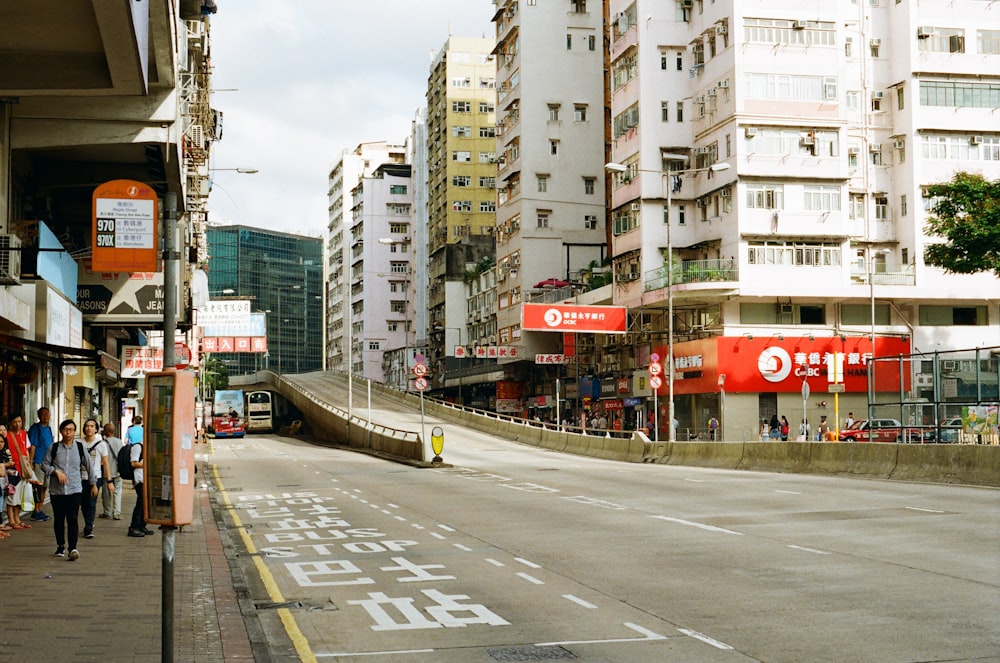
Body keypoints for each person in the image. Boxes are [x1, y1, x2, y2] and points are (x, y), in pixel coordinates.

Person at [42, 419, 96, 560]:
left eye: (71, 430)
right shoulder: (53, 448)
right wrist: (55, 471)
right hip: (57, 491)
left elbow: (89, 466)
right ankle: (60, 546)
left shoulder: (79, 448)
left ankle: (73, 548)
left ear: (74, 432)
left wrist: (93, 484)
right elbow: (44, 465)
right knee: (59, 519)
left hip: (74, 489)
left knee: (72, 518)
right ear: (61, 431)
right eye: (66, 429)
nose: (68, 432)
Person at [80, 418, 112, 538]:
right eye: (87, 426)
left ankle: (89, 528)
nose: (89, 428)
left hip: (96, 477)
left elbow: (106, 462)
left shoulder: (102, 444)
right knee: (83, 503)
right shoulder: (79, 443)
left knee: (91, 502)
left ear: (96, 429)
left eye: (92, 426)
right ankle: (88, 523)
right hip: (80, 477)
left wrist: (109, 480)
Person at [6, 414, 34, 530]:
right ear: (10, 423)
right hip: (13, 468)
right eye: (15, 422)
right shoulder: (7, 435)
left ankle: (17, 518)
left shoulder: (24, 434)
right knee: (12, 494)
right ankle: (11, 520)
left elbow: (27, 450)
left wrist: (29, 464)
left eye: (19, 421)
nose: (17, 424)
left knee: (19, 496)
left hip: (23, 468)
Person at [127, 420, 153, 538]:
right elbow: (133, 463)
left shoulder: (149, 447)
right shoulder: (138, 447)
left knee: (146, 503)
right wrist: (146, 465)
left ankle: (142, 525)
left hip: (147, 479)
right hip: (139, 478)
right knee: (141, 502)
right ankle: (133, 527)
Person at [28, 406, 54, 522]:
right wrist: (31, 461)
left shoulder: (48, 428)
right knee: (38, 486)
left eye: (47, 414)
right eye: (42, 414)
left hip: (48, 462)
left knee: (44, 487)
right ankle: (36, 511)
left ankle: (40, 508)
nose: (45, 416)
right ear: (38, 416)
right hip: (38, 461)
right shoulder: (35, 428)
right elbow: (32, 446)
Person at [100, 423, 124, 520]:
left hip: (107, 471)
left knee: (106, 493)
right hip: (118, 471)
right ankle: (117, 513)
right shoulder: (119, 442)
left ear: (106, 431)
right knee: (117, 492)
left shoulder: (103, 443)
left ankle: (107, 512)